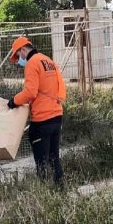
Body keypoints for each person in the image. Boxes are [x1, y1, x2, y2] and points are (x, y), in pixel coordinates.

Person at [8, 36, 67, 185]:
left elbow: (30, 92)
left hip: (42, 120)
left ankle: (43, 195)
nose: (19, 59)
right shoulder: (48, 61)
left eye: (18, 55)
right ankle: (61, 190)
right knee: (55, 160)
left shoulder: (32, 63)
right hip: (57, 116)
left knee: (41, 163)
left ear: (23, 49)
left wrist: (13, 102)